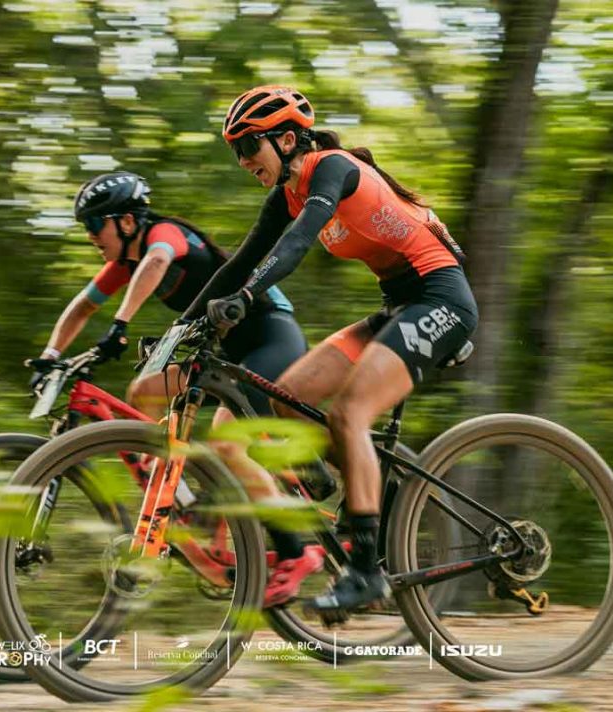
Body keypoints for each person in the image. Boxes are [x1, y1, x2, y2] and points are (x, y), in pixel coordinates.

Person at [182, 86, 479, 614]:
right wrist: (179, 331)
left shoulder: (332, 168)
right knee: (284, 397)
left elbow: (295, 245)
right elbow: (236, 264)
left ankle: (366, 570)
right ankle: (355, 479)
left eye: (249, 147)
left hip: (442, 299)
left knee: (349, 412)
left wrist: (248, 298)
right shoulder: (284, 194)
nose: (244, 160)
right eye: (236, 151)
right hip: (397, 307)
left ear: (288, 138)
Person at [26, 171, 322, 606]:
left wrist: (121, 325)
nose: (91, 237)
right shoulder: (122, 264)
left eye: (94, 226)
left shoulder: (163, 235)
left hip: (268, 334)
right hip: (222, 353)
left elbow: (158, 262)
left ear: (127, 222)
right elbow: (83, 305)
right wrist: (51, 354)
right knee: (143, 391)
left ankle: (297, 549)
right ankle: (181, 490)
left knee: (227, 443)